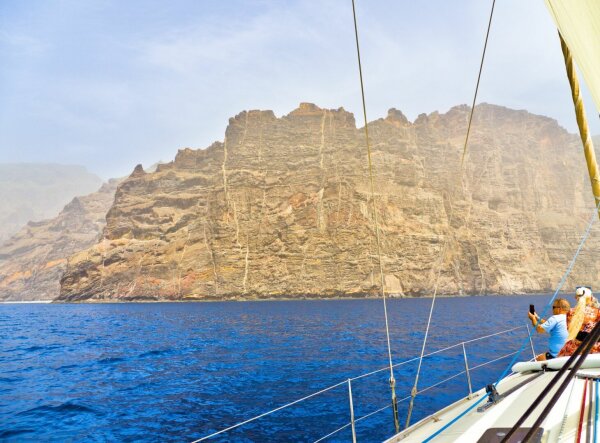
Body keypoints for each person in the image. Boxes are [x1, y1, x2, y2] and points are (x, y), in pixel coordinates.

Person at [558, 287, 600, 357]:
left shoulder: (570, 312)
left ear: (576, 298)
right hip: (594, 348)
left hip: (575, 349)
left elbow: (569, 330)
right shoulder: (597, 312)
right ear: (591, 298)